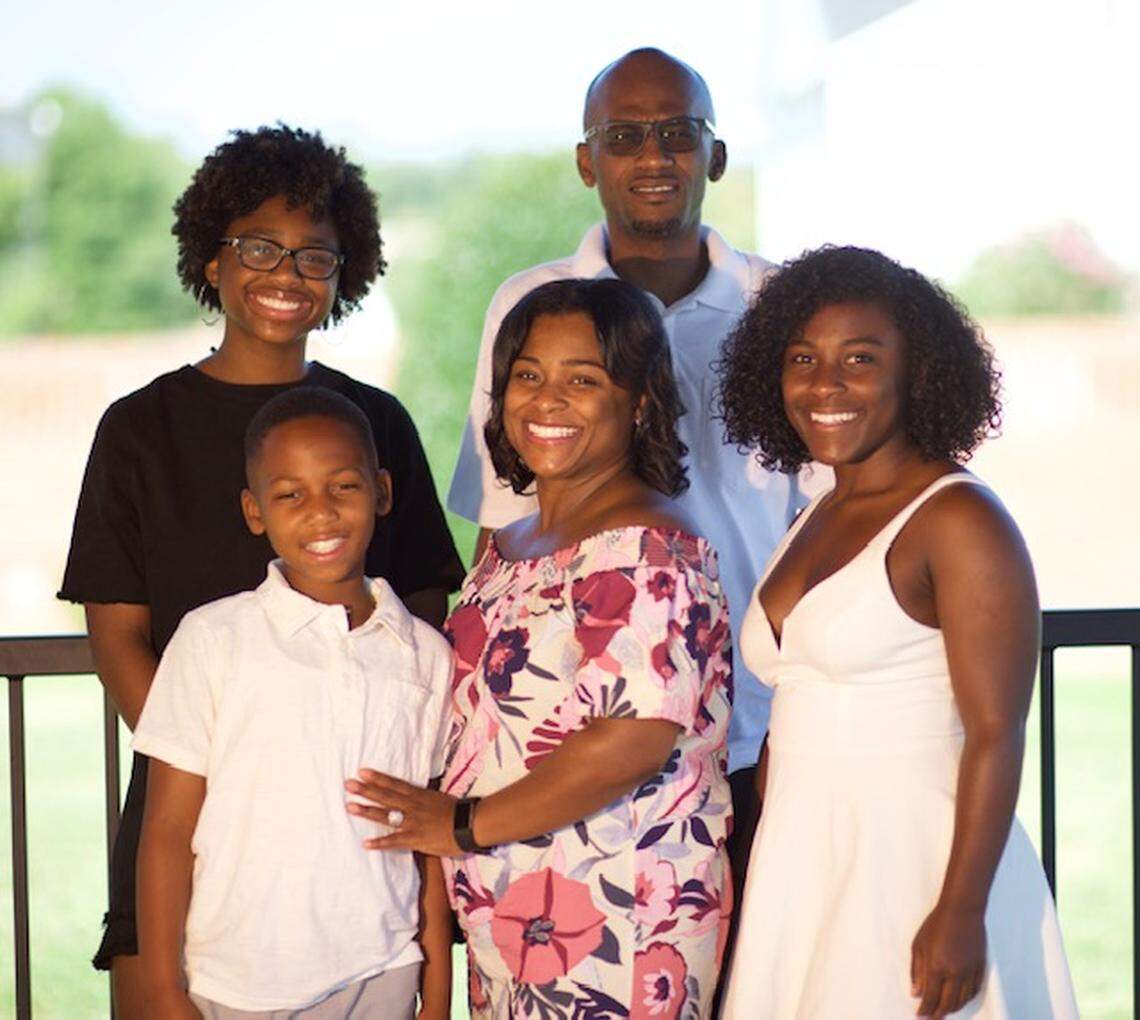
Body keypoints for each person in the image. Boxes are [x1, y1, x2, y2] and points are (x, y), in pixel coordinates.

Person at [58, 124, 463, 1019]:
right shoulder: (139, 429)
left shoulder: (378, 423)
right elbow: (118, 637)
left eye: (314, 255)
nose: (286, 273)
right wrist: (229, 774)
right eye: (257, 247)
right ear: (211, 258)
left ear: (345, 274)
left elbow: (421, 609)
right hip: (189, 809)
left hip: (355, 858)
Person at [447, 45, 826, 904]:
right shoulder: (531, 304)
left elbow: (830, 518)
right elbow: (502, 520)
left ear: (715, 155)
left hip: (760, 726)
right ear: (587, 161)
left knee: (746, 958)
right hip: (567, 730)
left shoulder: (781, 308)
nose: (653, 156)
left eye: (677, 133)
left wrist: (789, 689)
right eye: (623, 136)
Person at [346, 278, 734, 1017]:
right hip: (514, 913)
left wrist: (460, 825)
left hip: (617, 916)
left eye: (582, 380)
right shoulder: (513, 542)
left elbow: (632, 741)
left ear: (640, 401)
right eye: (528, 376)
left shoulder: (646, 548)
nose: (546, 401)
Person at [718, 246, 1078, 1019]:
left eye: (860, 359)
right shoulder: (819, 511)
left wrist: (962, 909)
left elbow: (998, 732)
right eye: (803, 359)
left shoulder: (960, 519)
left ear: (916, 372)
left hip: (917, 867)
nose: (825, 384)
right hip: (803, 861)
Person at [133, 388, 453, 1019]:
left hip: (381, 971)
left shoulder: (426, 655)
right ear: (255, 511)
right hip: (236, 984)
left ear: (382, 491)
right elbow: (167, 832)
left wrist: (437, 990)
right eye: (290, 495)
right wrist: (165, 991)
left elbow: (429, 841)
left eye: (343, 487)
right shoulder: (213, 639)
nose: (321, 513)